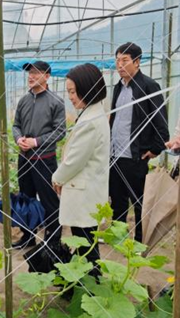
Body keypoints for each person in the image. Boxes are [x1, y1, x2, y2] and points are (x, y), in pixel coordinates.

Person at [52, 63, 110, 272]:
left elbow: (75, 160)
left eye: (73, 92)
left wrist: (57, 178)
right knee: (85, 246)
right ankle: (88, 283)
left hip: (84, 194)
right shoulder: (92, 113)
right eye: (68, 92)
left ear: (87, 88)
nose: (70, 97)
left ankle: (92, 284)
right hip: (87, 191)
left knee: (86, 250)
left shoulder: (90, 121)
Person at [110, 42, 169, 242]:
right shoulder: (118, 87)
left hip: (136, 155)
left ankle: (139, 240)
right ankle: (118, 237)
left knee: (139, 202)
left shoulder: (148, 86)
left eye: (125, 60)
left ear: (137, 62)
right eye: (117, 60)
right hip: (116, 154)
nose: (120, 65)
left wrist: (155, 149)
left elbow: (161, 121)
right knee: (117, 200)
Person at [11, 60, 66, 249]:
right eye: (30, 72)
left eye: (36, 72)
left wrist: (36, 142)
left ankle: (53, 241)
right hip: (25, 158)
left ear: (47, 76)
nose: (31, 76)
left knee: (49, 200)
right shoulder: (24, 100)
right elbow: (16, 125)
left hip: (44, 160)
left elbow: (60, 131)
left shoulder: (55, 101)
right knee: (26, 199)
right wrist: (19, 139)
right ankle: (28, 237)